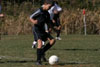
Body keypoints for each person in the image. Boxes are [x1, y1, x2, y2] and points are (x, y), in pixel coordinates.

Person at [30, 0, 55, 65]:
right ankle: (38, 61)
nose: (50, 8)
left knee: (52, 40)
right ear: (45, 4)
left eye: (51, 7)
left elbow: (48, 22)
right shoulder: (39, 11)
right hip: (37, 29)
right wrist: (33, 21)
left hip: (43, 30)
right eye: (49, 6)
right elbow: (31, 17)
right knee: (40, 43)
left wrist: (51, 28)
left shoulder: (47, 13)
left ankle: (42, 52)